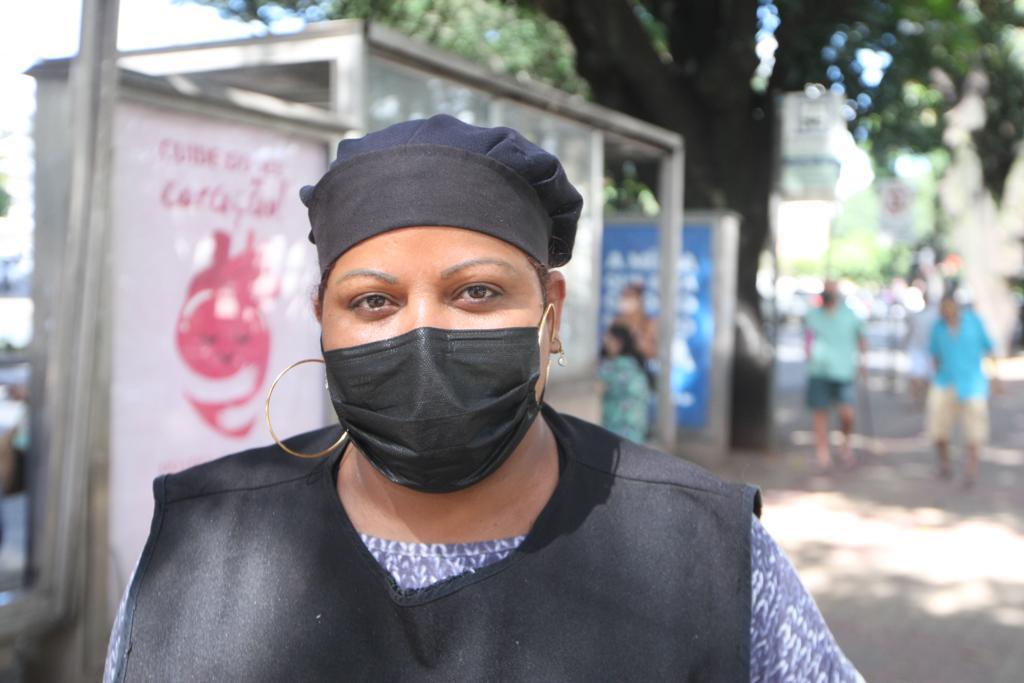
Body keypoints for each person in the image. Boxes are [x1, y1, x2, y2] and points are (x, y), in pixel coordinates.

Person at [104, 115, 861, 681]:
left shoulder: (707, 551)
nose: (423, 335)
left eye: (477, 292)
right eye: (373, 301)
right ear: (320, 321)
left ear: (550, 309)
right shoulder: (199, 543)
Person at [928, 294, 1001, 488]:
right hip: (945, 382)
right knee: (938, 429)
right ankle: (945, 464)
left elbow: (990, 348)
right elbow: (934, 356)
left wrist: (996, 377)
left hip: (972, 384)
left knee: (974, 431)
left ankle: (970, 471)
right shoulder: (938, 327)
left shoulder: (974, 321)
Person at [804, 280, 867, 472]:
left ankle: (845, 446)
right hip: (819, 370)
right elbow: (808, 338)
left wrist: (862, 362)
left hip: (843, 370)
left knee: (847, 413)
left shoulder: (849, 315)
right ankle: (822, 454)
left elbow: (861, 338)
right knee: (820, 413)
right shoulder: (813, 315)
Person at [598, 324, 652, 442]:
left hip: (618, 430)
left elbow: (597, 387)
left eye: (609, 339)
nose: (605, 342)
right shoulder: (636, 364)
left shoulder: (612, 368)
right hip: (635, 431)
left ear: (619, 342)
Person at [904, 287, 940, 408]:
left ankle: (921, 399)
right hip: (918, 349)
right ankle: (916, 400)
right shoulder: (918, 315)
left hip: (928, 350)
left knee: (925, 379)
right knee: (917, 377)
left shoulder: (935, 316)